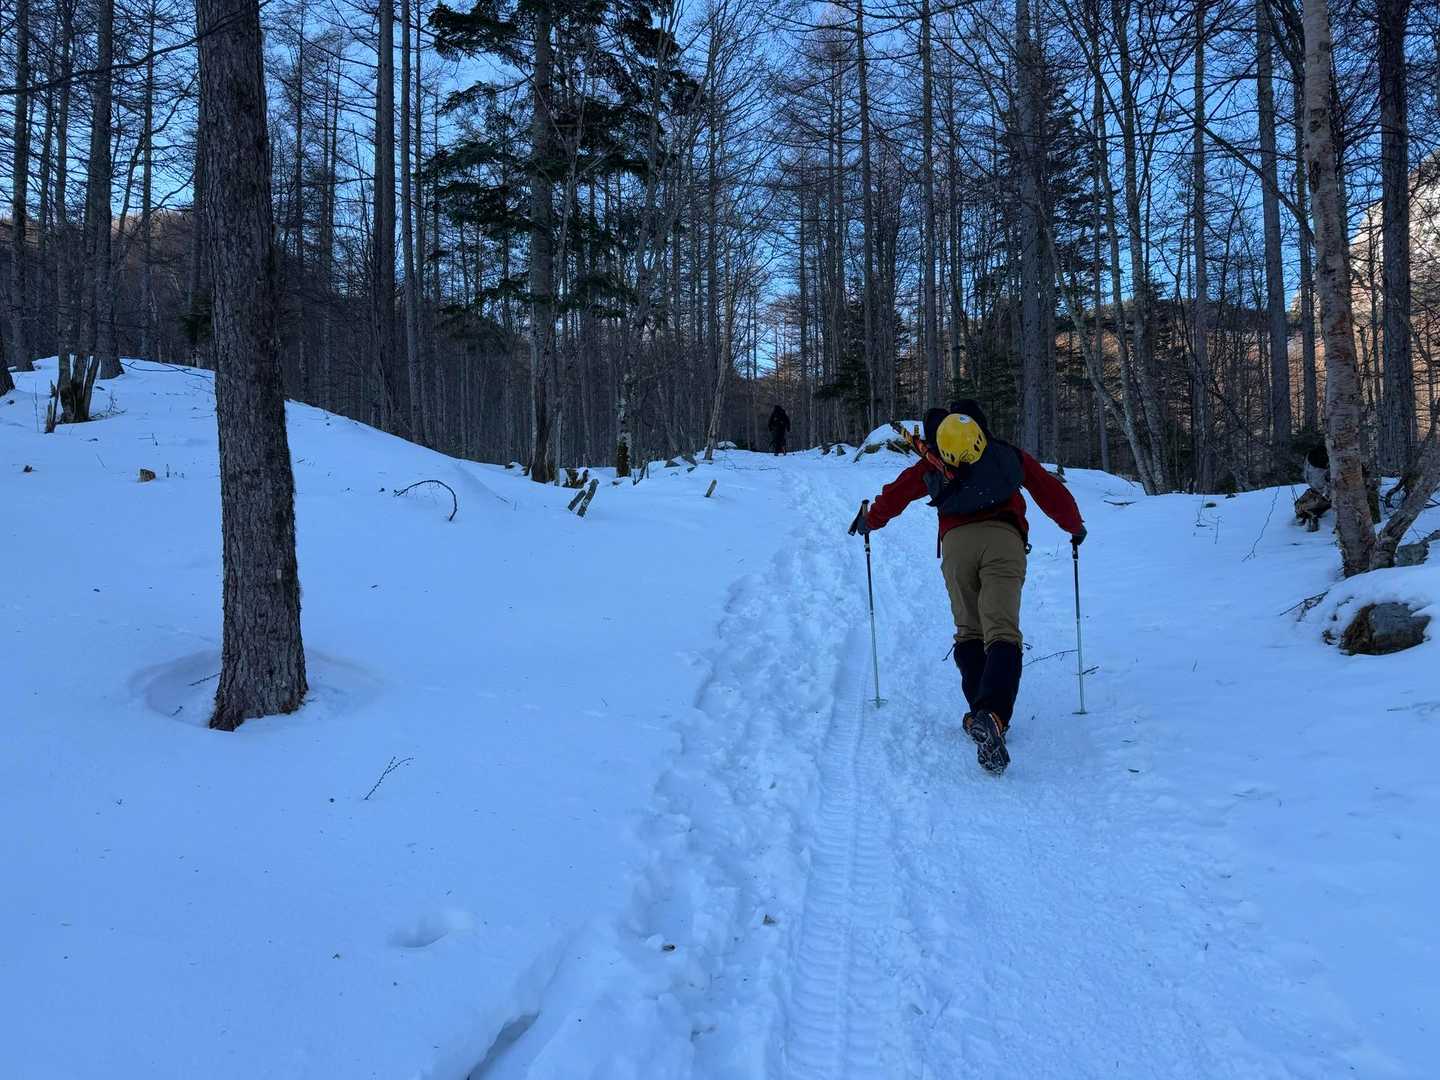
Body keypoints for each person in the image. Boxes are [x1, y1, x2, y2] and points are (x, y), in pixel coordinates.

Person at [848, 399, 1086, 774]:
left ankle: (980, 714)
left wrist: (869, 521)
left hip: (957, 547)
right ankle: (993, 715)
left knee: (970, 631)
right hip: (1005, 542)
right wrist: (1074, 527)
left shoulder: (934, 462)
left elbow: (896, 494)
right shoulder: (1007, 455)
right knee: (1002, 630)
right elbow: (1048, 490)